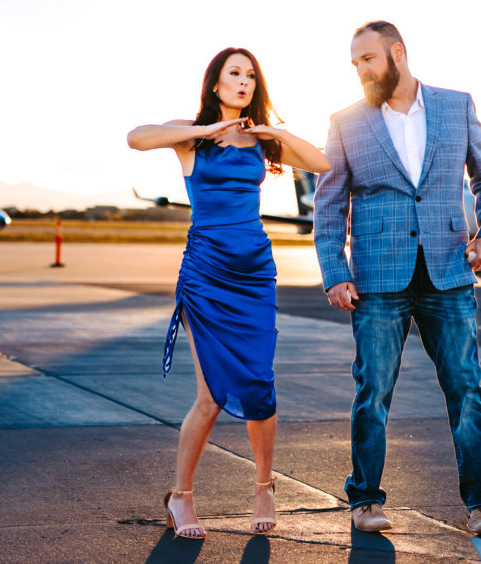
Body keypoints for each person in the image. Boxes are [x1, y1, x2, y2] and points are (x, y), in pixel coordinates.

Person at [313, 21, 481, 536]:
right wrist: (335, 272)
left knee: (466, 388)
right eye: (355, 63)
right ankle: (366, 500)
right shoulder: (345, 121)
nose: (361, 70)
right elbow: (328, 205)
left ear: (398, 52)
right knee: (372, 391)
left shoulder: (455, 105)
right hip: (377, 278)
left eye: (368, 59)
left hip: (449, 271)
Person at [127, 47, 330, 539]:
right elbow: (136, 138)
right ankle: (181, 498)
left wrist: (276, 132)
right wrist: (202, 132)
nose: (243, 82)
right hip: (206, 271)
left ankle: (265, 486)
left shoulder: (262, 141)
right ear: (215, 83)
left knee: (260, 385)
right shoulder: (190, 137)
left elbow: (321, 162)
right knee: (211, 396)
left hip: (254, 272)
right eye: (233, 74)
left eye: (250, 76)